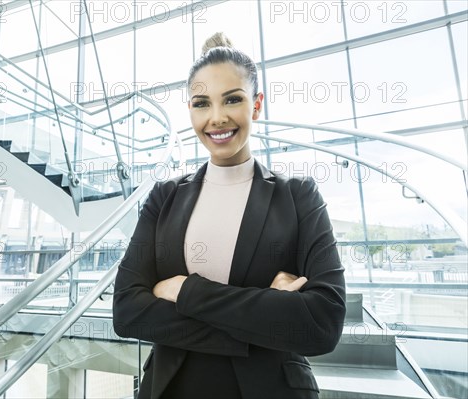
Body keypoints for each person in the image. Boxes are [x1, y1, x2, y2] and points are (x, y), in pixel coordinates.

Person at [113, 32, 346, 399]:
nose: (217, 118)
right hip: (171, 388)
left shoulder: (298, 195)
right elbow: (127, 312)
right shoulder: (165, 196)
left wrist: (185, 291)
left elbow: (321, 324)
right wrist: (262, 313)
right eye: (202, 103)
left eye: (232, 100)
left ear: (256, 105)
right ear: (190, 109)